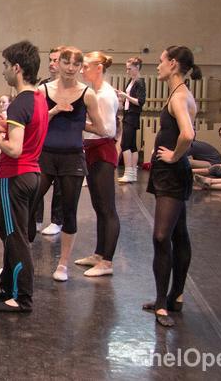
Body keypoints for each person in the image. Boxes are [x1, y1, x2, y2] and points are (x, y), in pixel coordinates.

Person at [0, 41, 48, 313]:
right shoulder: (38, 99)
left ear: (17, 68)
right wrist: (4, 127)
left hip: (15, 176)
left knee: (15, 237)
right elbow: (28, 134)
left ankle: (23, 298)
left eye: (6, 65)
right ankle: (7, 286)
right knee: (10, 234)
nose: (3, 71)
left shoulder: (20, 103)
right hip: (31, 175)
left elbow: (15, 149)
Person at [35, 46, 105, 282]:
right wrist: (55, 111)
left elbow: (100, 128)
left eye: (76, 64)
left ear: (80, 67)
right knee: (30, 203)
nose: (71, 68)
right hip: (45, 155)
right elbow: (36, 122)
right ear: (58, 63)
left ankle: (63, 264)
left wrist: (78, 124)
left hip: (72, 158)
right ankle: (17, 259)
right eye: (67, 63)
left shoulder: (87, 93)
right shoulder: (43, 90)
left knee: (69, 211)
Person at [142, 46, 200, 328]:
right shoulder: (180, 93)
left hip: (172, 173)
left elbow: (188, 134)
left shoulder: (178, 97)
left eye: (161, 61)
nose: (158, 66)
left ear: (173, 64)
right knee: (179, 233)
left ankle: (162, 304)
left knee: (161, 236)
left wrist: (174, 156)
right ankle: (175, 296)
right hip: (170, 173)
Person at [76, 51, 120, 278]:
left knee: (107, 208)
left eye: (85, 66)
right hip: (94, 150)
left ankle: (107, 261)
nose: (82, 70)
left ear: (98, 68)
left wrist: (78, 122)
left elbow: (108, 130)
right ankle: (99, 253)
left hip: (102, 152)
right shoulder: (96, 93)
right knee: (99, 206)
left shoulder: (104, 95)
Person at [36, 47, 64, 235]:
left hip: (62, 139)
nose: (52, 64)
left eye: (56, 60)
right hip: (44, 139)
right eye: (50, 60)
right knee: (38, 182)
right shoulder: (43, 85)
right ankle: (36, 218)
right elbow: (39, 114)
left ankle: (57, 220)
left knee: (60, 184)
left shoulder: (70, 87)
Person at [117, 57, 146, 183]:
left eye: (130, 69)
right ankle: (132, 173)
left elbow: (140, 101)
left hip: (133, 115)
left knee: (125, 144)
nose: (127, 71)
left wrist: (125, 96)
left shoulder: (140, 82)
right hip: (128, 114)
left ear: (137, 67)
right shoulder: (131, 81)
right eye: (127, 69)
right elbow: (128, 99)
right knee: (132, 145)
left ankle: (128, 172)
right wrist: (122, 97)